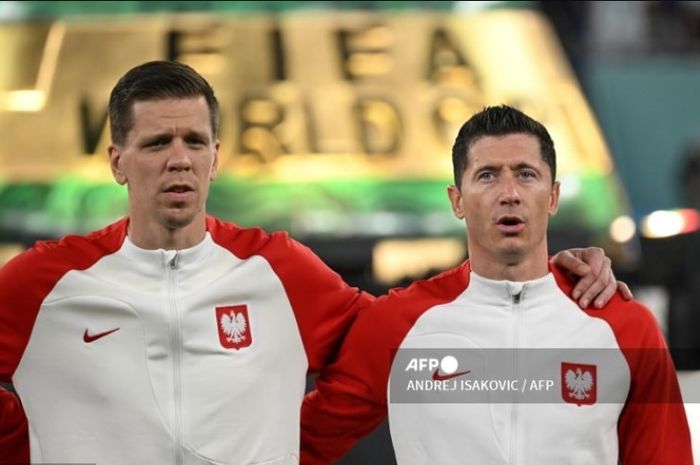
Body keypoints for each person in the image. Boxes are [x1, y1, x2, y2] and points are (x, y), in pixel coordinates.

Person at [0, 63, 627, 465]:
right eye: (156, 143)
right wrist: (34, 442)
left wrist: (542, 275)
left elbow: (410, 333)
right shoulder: (48, 281)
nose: (178, 160)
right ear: (117, 161)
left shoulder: (277, 271)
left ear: (216, 157)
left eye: (194, 142)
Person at [300, 105, 693, 465]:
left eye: (526, 174)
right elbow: (297, 445)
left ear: (553, 196)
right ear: (457, 201)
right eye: (487, 176)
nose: (509, 194)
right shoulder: (398, 324)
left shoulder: (625, 328)